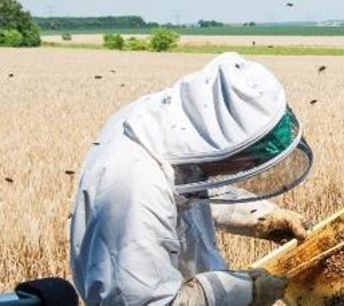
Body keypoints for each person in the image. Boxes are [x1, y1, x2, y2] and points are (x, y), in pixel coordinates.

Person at [70, 53, 315, 306]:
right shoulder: (134, 190)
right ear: (225, 147)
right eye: (250, 158)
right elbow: (146, 303)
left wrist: (262, 216)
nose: (251, 166)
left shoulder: (174, 133)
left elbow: (191, 191)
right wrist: (245, 292)